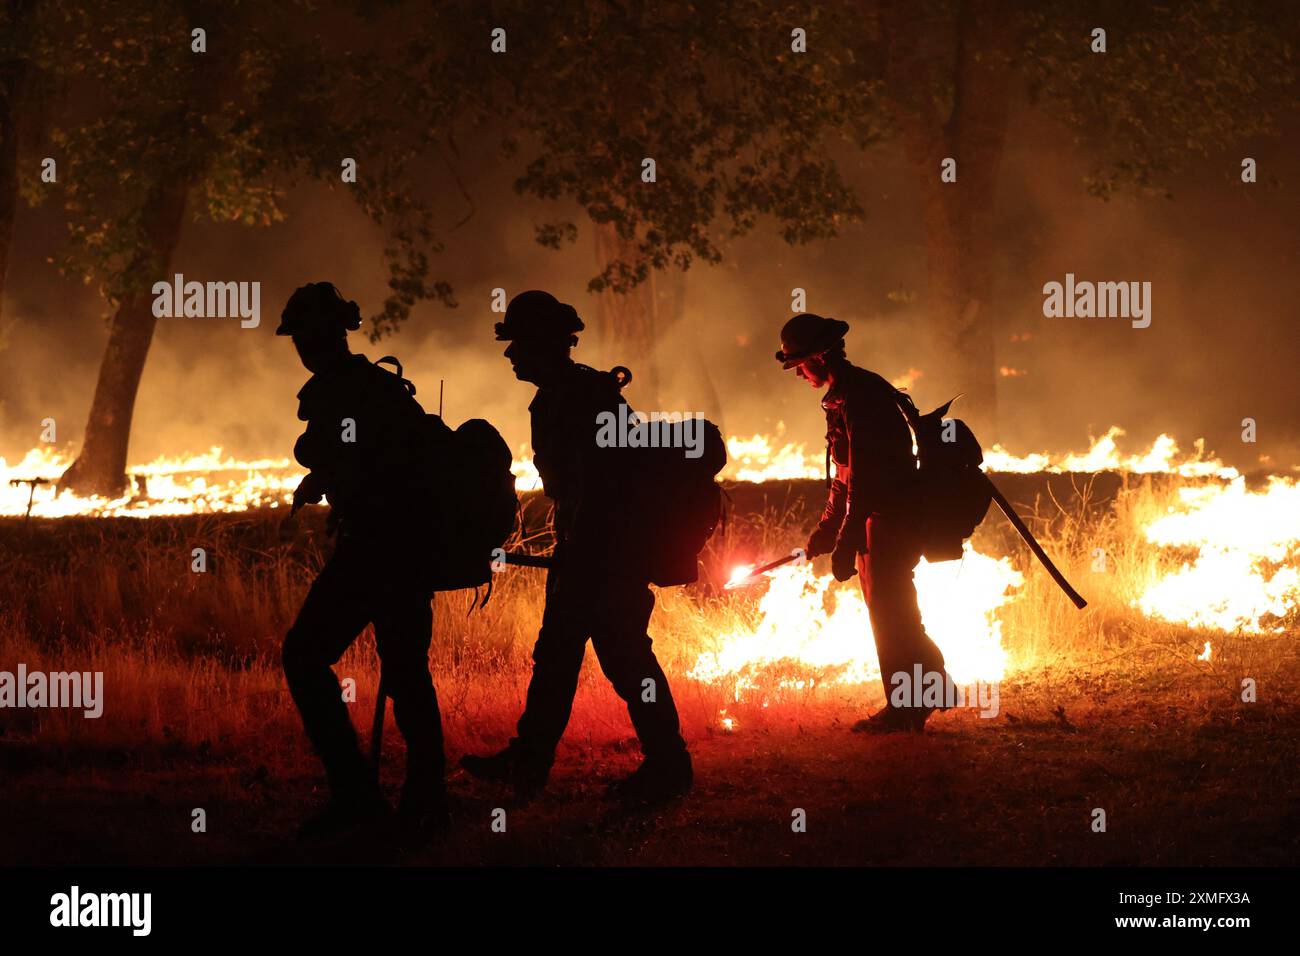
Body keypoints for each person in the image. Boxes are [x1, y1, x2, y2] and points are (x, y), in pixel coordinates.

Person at [460, 290, 693, 803]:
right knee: (560, 657)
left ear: (543, 343)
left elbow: (607, 486)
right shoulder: (570, 395)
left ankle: (669, 765)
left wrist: (588, 551)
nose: (509, 353)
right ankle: (530, 762)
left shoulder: (581, 398)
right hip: (588, 551)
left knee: (626, 659)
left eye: (516, 342)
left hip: (605, 556)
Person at [277, 281, 449, 837]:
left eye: (303, 334)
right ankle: (424, 804)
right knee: (407, 675)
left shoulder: (341, 391)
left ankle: (359, 798)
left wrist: (329, 478)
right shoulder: (376, 387)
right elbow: (367, 456)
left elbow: (360, 456)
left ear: (320, 334)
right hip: (405, 549)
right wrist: (327, 482)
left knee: (305, 656)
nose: (300, 345)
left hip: (378, 551)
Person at [776, 313, 948, 733]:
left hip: (891, 520)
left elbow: (867, 478)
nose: (798, 374)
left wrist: (847, 539)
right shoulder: (845, 396)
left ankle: (907, 708)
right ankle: (925, 695)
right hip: (879, 520)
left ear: (820, 356)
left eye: (800, 364)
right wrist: (823, 536)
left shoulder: (861, 398)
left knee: (892, 615)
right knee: (891, 612)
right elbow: (846, 475)